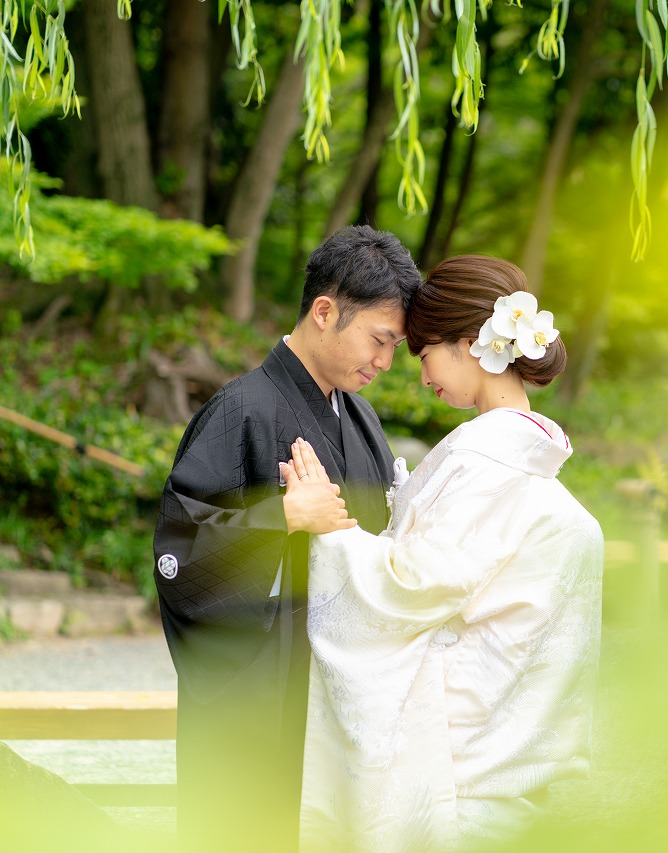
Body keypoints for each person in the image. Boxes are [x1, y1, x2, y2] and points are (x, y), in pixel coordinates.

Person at [283, 255, 604, 852]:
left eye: (424, 352)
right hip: (508, 749)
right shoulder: (525, 460)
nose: (420, 374)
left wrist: (326, 529)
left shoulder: (486, 463)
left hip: (460, 769)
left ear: (468, 344)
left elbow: (411, 585)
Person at [151, 225, 422, 852]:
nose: (385, 362)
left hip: (340, 696)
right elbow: (179, 554)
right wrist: (282, 516)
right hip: (261, 703)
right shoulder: (241, 410)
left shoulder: (360, 416)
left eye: (395, 347)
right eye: (380, 340)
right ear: (324, 311)